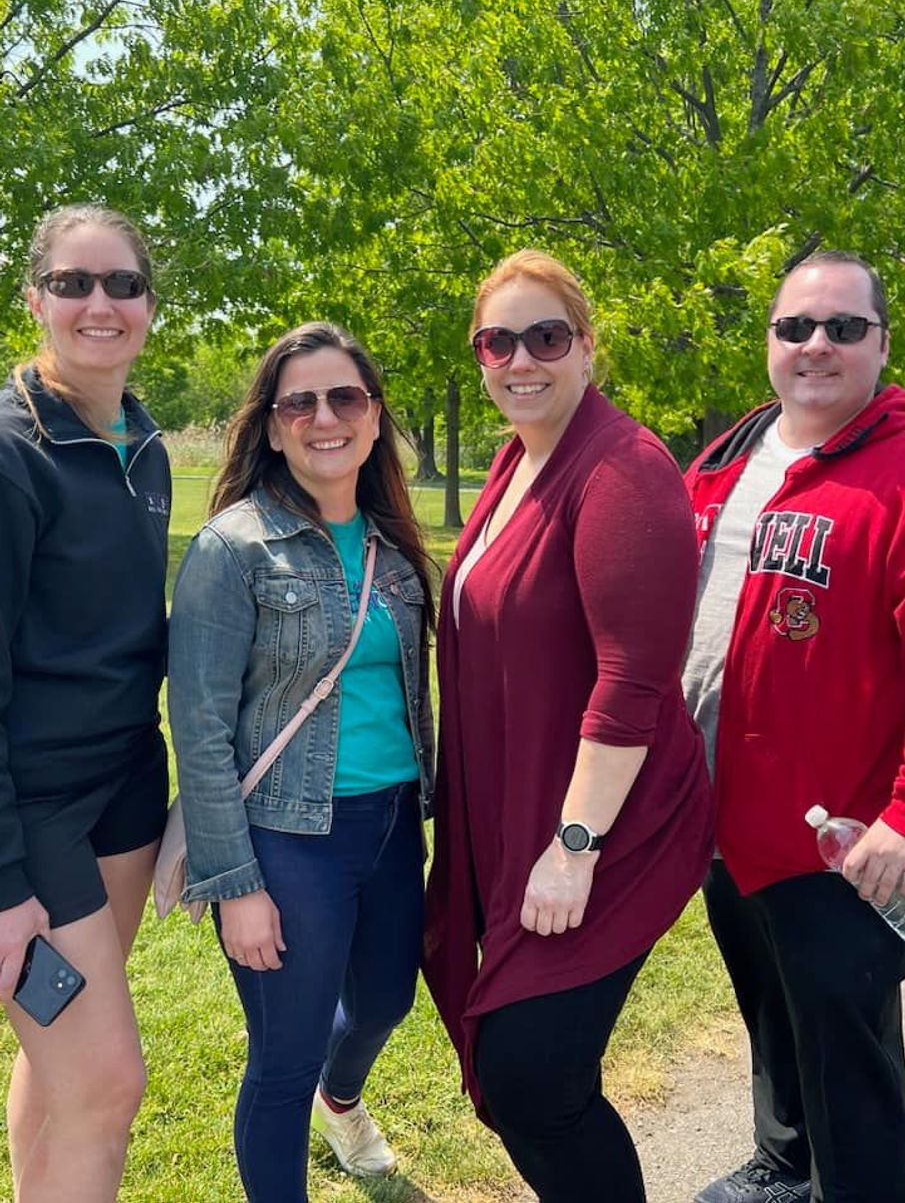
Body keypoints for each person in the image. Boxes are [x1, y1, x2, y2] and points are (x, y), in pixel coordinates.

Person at [423, 249, 714, 1202]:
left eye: (545, 336)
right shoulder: (517, 457)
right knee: (526, 1076)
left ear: (586, 347)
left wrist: (574, 843)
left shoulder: (623, 468)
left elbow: (633, 679)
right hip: (521, 815)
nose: (520, 359)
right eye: (496, 340)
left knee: (532, 1075)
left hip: (601, 829)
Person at [167, 322, 434, 1202]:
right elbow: (199, 726)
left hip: (392, 827)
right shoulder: (232, 548)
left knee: (388, 1000)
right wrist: (234, 881)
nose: (326, 417)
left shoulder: (396, 549)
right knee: (281, 1056)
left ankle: (343, 1094)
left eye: (344, 398)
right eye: (301, 403)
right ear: (275, 427)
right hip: (285, 840)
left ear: (373, 416)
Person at [683, 250, 905, 1203]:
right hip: (719, 817)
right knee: (769, 1007)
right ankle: (784, 1163)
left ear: (881, 344)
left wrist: (901, 817)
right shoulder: (730, 455)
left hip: (842, 835)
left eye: (842, 327)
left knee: (844, 1038)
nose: (816, 345)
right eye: (794, 327)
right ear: (768, 339)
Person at [0, 204, 169, 1200]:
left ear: (149, 304)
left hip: (126, 789)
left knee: (58, 1064)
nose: (99, 304)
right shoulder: (13, 451)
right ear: (36, 300)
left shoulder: (142, 441)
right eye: (74, 283)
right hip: (36, 808)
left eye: (122, 284)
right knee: (106, 1081)